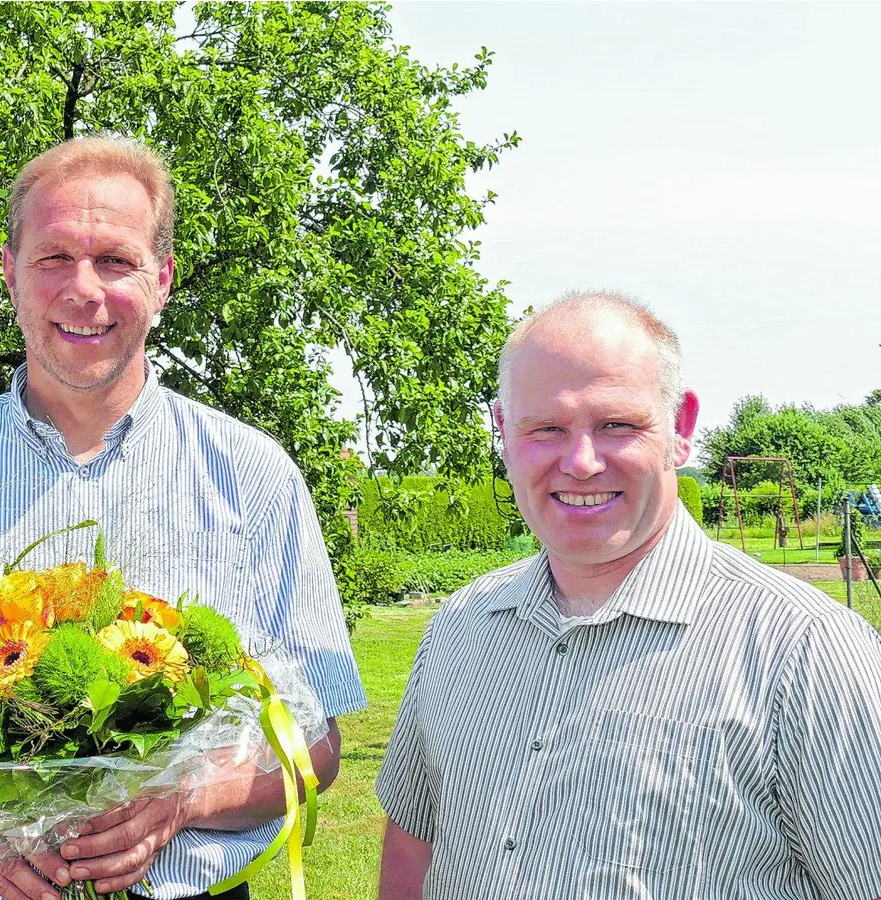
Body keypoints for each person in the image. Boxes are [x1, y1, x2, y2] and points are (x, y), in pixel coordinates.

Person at [0, 134, 366, 900]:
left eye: (114, 261)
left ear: (162, 280)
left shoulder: (252, 476)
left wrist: (185, 799)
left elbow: (315, 745)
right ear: (10, 274)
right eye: (53, 257)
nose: (83, 290)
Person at [376, 292, 881, 898]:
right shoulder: (461, 627)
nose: (581, 462)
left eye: (617, 424)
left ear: (682, 427)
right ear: (504, 432)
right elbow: (413, 842)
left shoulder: (810, 655)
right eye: (547, 429)